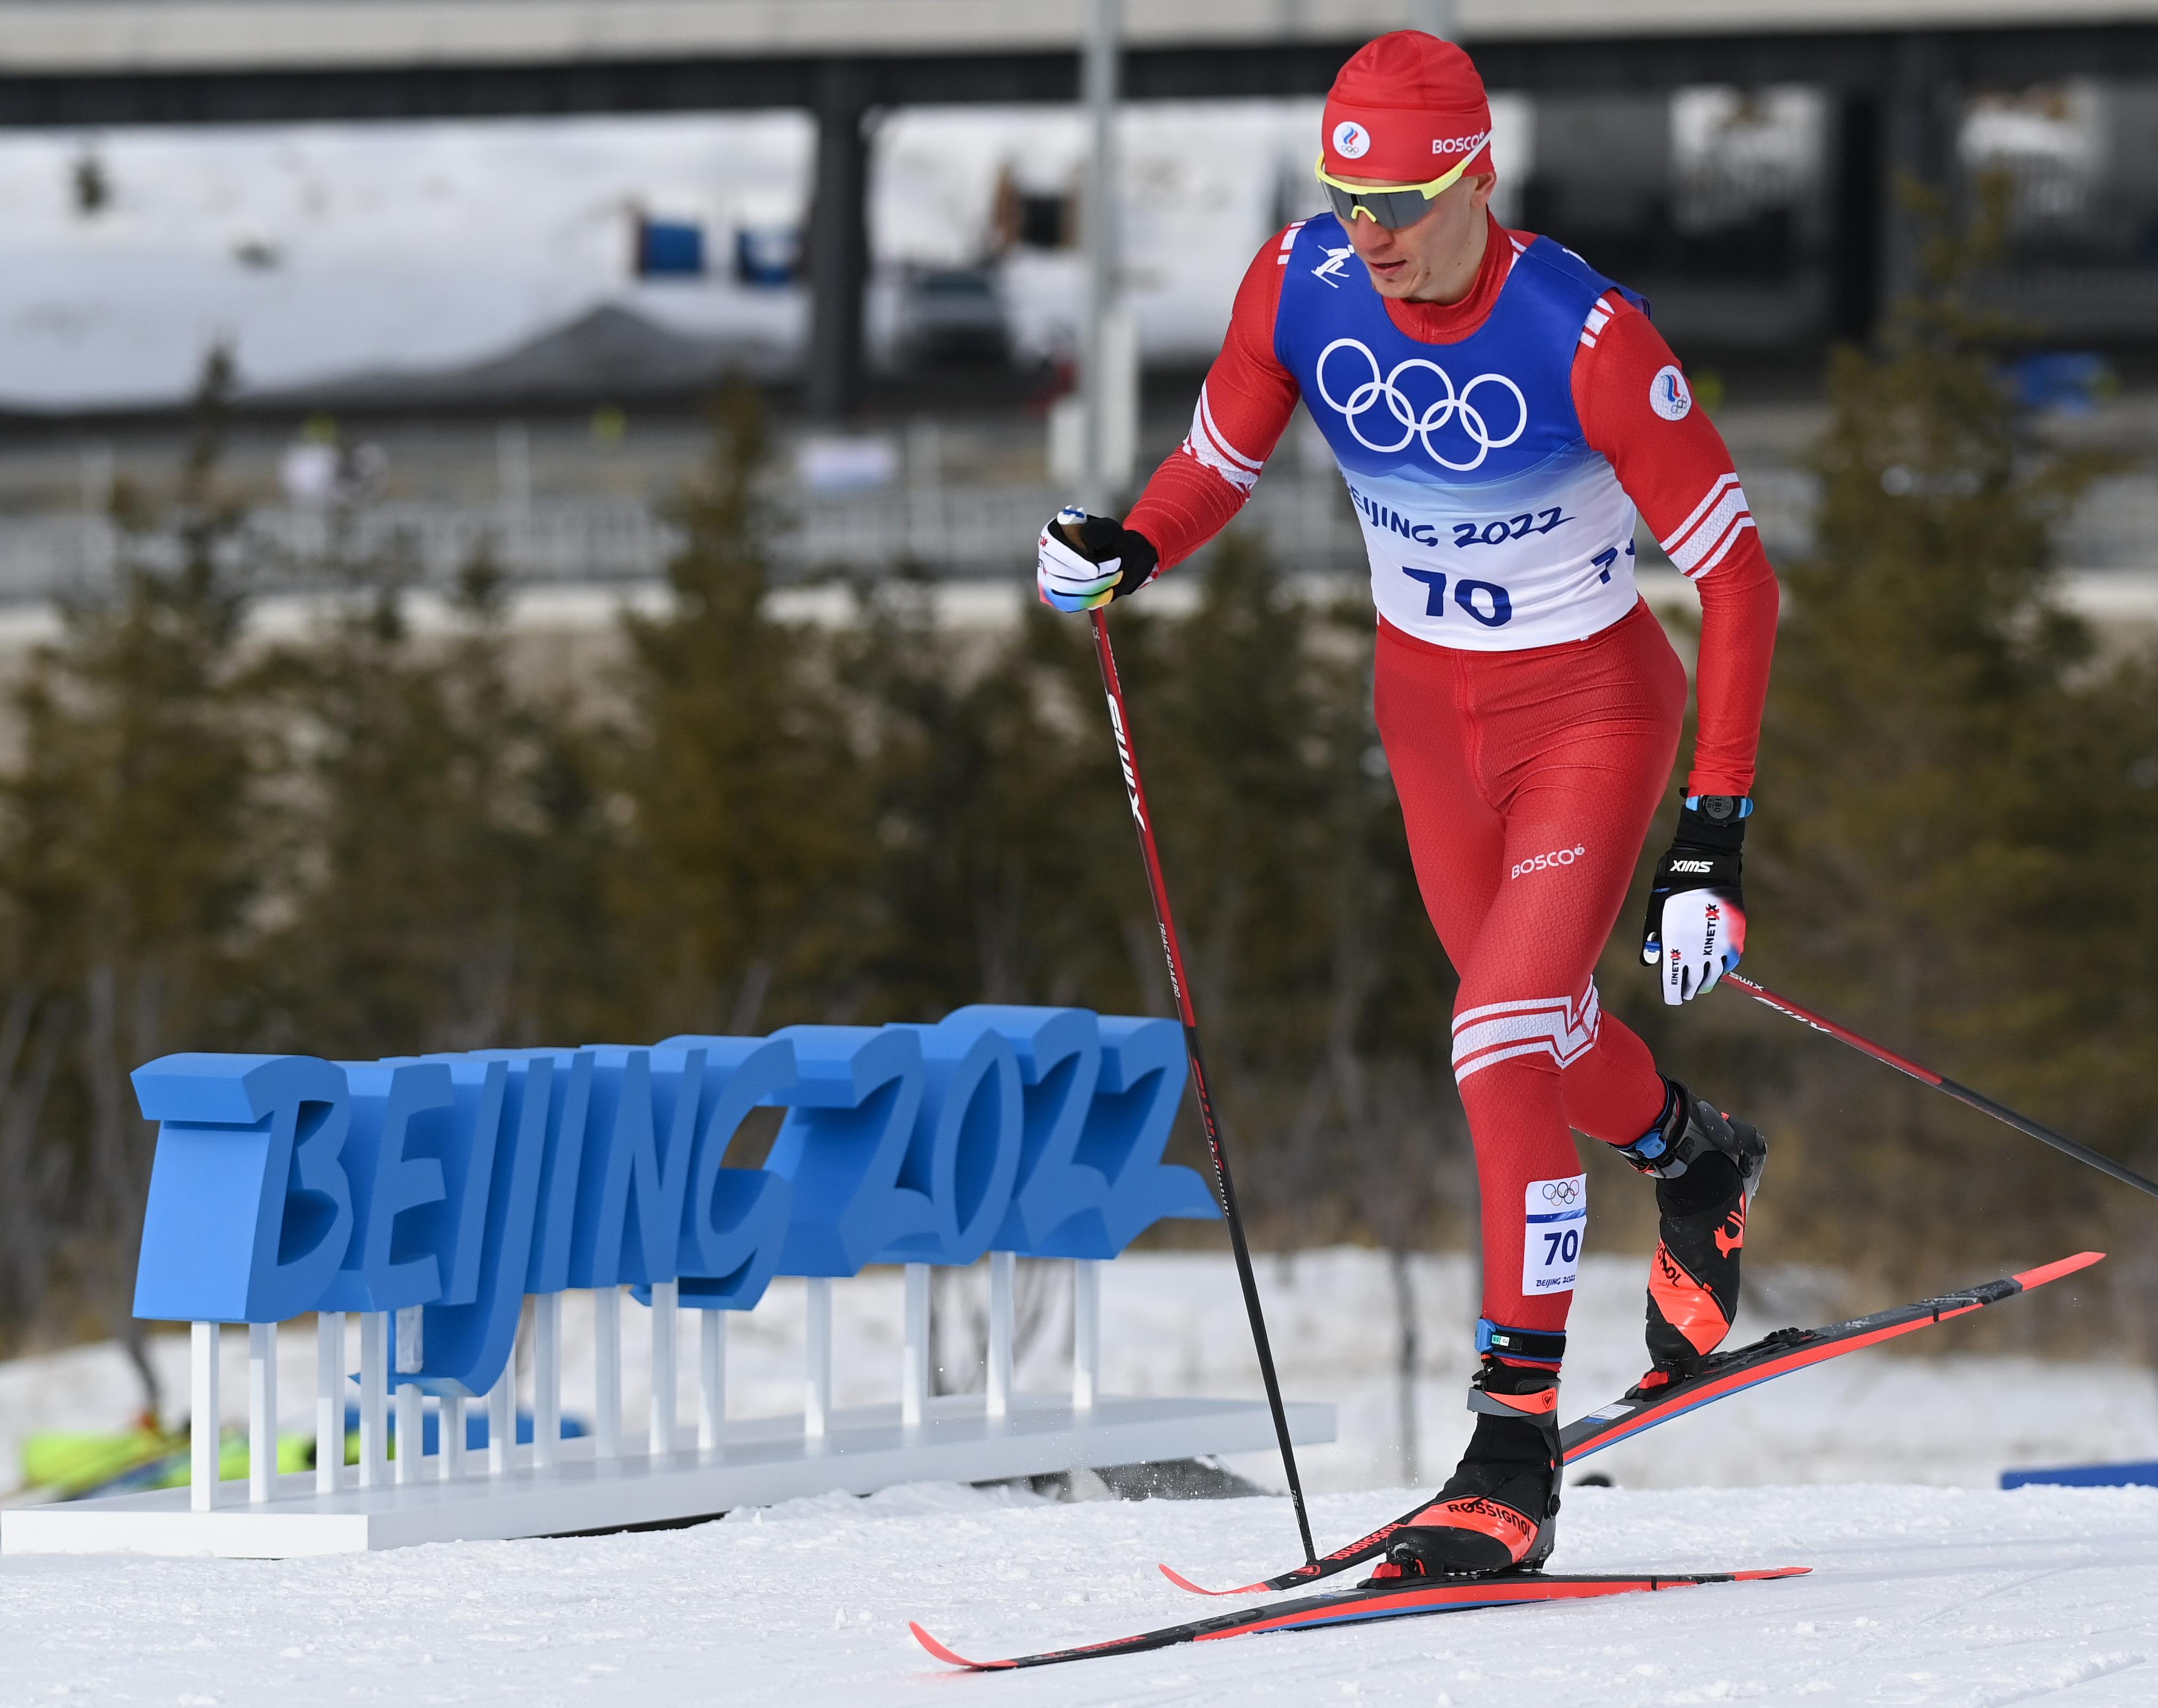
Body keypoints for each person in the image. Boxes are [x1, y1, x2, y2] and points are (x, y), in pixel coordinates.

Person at [1036, 30, 1778, 1578]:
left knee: (1498, 1032)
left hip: (1588, 710)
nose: (1372, 231)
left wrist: (1712, 834)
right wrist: (1137, 543)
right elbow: (1217, 457)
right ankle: (1695, 1156)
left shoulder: (1588, 333)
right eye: (1348, 194)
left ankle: (1510, 1454)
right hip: (1428, 717)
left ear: (1477, 177)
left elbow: (1737, 576)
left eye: (1406, 199)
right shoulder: (1298, 284)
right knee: (1543, 1031)